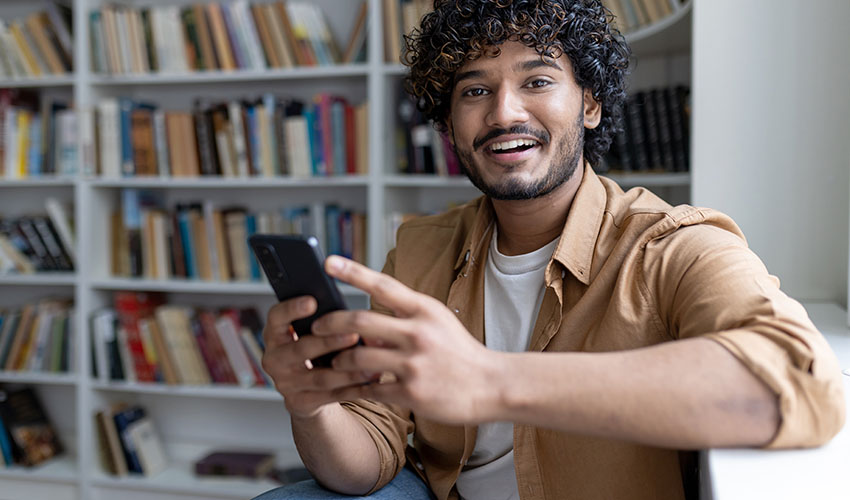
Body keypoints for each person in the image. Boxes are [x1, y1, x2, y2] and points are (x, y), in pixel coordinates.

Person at [253, 1, 846, 499]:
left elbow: (798, 382)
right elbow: (368, 459)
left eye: (537, 80)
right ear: (451, 124)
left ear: (589, 104)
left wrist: (491, 380)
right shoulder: (419, 249)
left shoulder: (670, 244)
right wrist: (310, 405)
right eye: (475, 90)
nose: (503, 111)